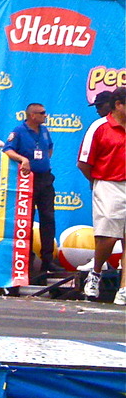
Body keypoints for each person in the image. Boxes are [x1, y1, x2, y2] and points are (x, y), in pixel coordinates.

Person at [77, 87, 126, 305]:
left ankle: (123, 289)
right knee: (108, 235)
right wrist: (96, 182)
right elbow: (84, 162)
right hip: (108, 183)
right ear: (118, 105)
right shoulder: (99, 126)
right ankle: (96, 273)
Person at [3, 102, 63, 273]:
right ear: (32, 115)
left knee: (48, 218)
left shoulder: (44, 131)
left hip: (45, 179)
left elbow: (49, 148)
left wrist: (42, 160)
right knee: (26, 220)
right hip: (27, 181)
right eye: (42, 113)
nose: (45, 115)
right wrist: (24, 160)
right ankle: (26, 259)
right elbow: (8, 150)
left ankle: (47, 260)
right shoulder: (19, 131)